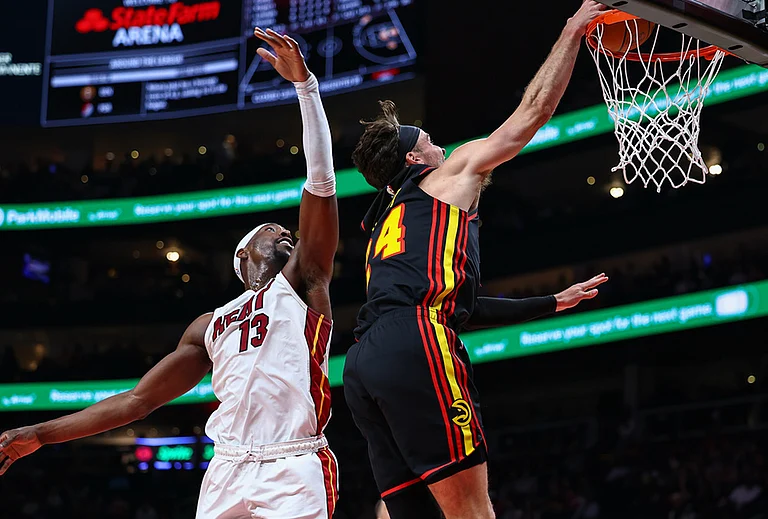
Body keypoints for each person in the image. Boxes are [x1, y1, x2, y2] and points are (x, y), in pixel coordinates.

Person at [0, 28, 340, 519]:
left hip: (292, 462)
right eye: (273, 229)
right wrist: (41, 433)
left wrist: (306, 88)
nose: (286, 233)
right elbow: (137, 401)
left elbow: (321, 182)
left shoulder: (304, 283)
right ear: (244, 255)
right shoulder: (209, 325)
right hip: (225, 469)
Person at [343, 2, 609, 518]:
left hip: (364, 362)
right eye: (429, 140)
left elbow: (457, 303)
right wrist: (573, 28)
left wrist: (550, 302)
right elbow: (530, 114)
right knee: (471, 511)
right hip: (416, 342)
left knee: (405, 510)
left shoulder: (382, 230)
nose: (440, 143)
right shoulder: (446, 177)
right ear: (415, 160)